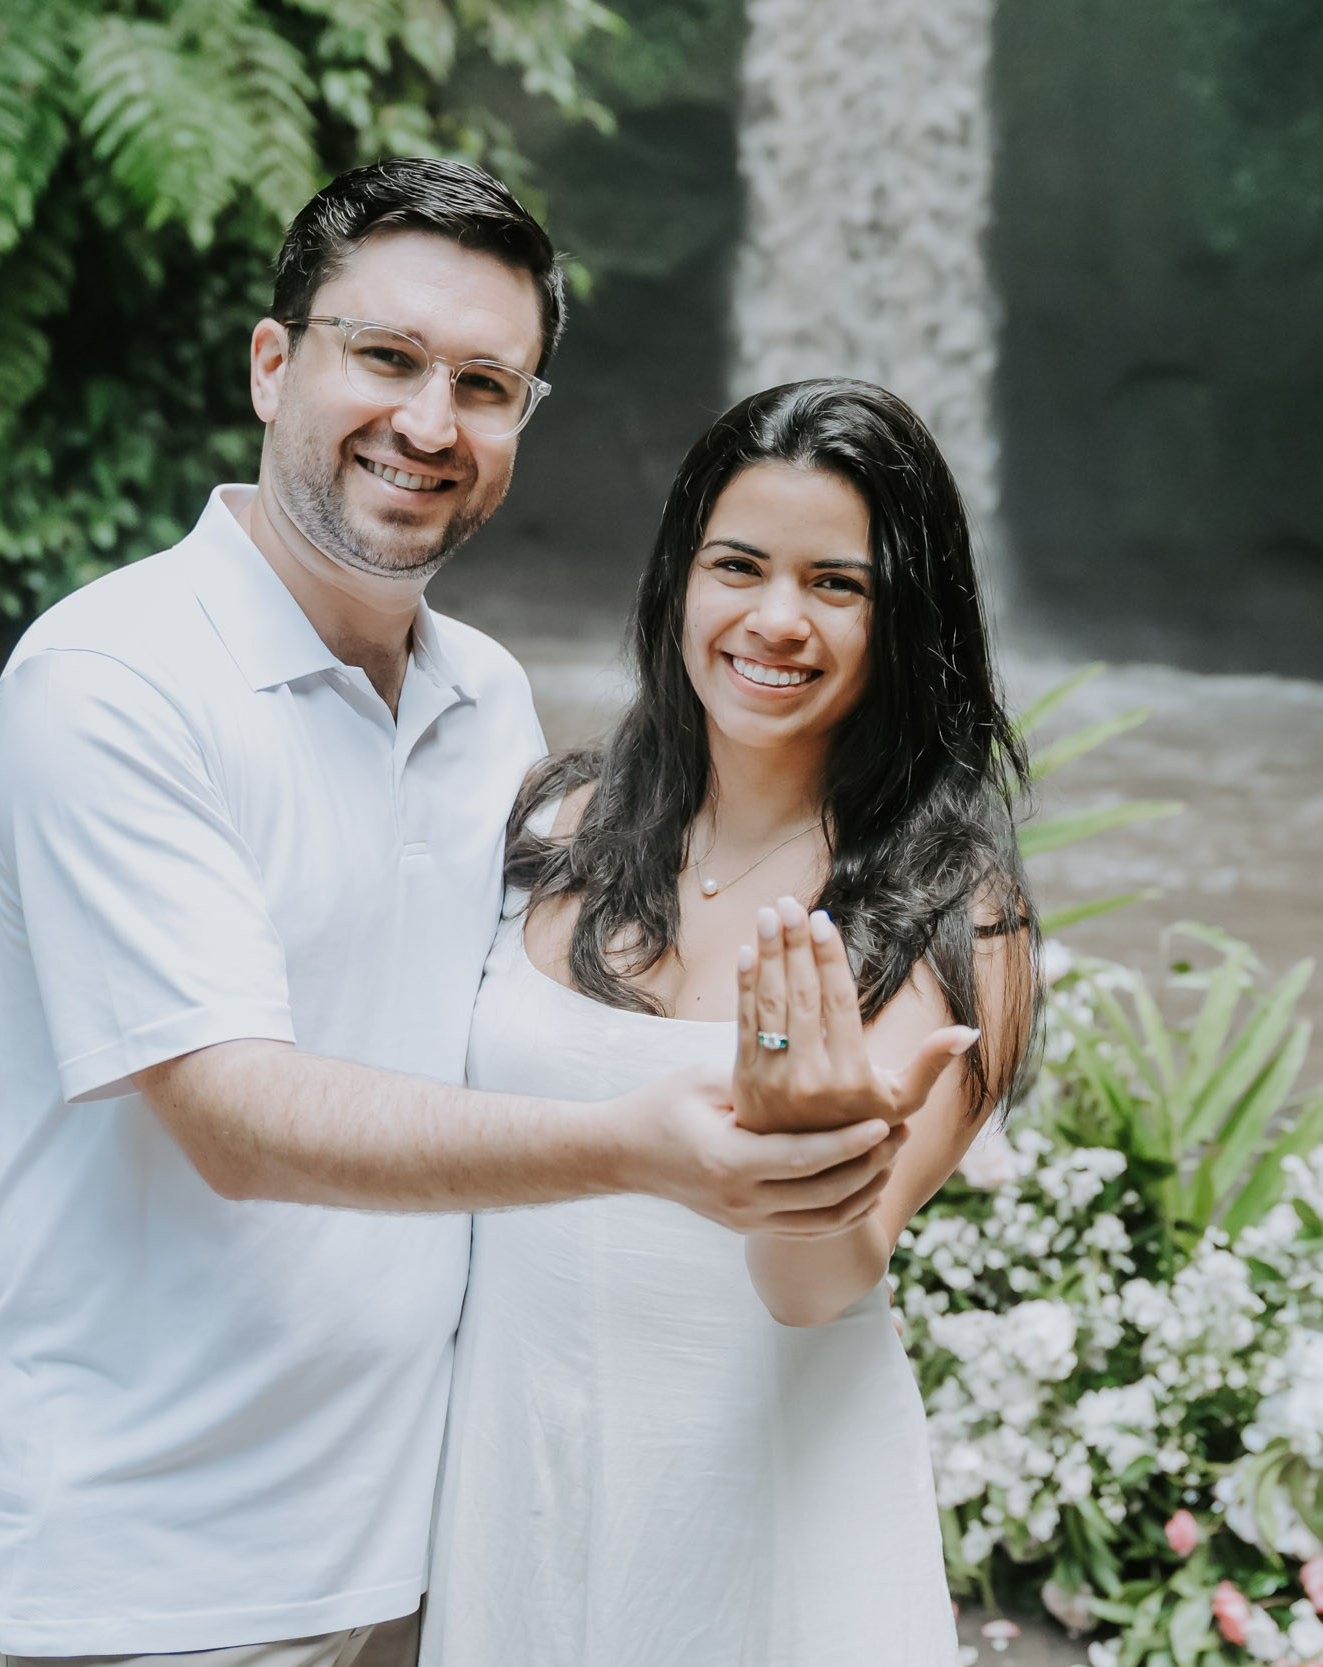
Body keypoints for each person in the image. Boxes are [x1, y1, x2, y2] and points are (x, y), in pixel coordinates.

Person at [0, 163, 961, 1667]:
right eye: (386, 357)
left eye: (485, 385)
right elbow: (234, 1118)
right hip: (161, 1561)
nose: (430, 424)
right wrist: (638, 1144)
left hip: (442, 1545)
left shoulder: (486, 701)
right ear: (273, 364)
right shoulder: (112, 685)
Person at [421, 378, 1041, 1666]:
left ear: (906, 618)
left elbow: (819, 1289)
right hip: (515, 1483)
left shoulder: (949, 915)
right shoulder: (560, 826)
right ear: (679, 580)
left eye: (837, 584)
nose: (775, 620)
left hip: (760, 1520)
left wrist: (802, 1161)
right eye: (738, 566)